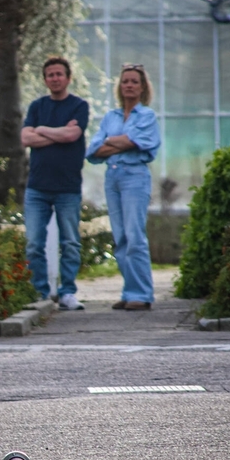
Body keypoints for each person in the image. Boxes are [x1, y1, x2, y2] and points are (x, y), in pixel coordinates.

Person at [85, 63, 161, 311]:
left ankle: (142, 293)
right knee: (120, 238)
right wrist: (123, 142)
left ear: (142, 87)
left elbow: (141, 143)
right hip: (113, 177)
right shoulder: (111, 117)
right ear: (120, 86)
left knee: (134, 235)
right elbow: (94, 151)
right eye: (125, 81)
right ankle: (130, 292)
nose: (129, 85)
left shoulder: (147, 116)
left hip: (135, 178)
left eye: (134, 81)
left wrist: (113, 141)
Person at [20, 56, 89, 311]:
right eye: (50, 75)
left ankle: (68, 292)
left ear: (68, 78)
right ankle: (41, 293)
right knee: (34, 243)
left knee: (70, 242)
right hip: (37, 187)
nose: (55, 78)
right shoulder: (37, 105)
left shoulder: (79, 106)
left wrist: (41, 130)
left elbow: (74, 134)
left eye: (59, 74)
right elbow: (26, 138)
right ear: (45, 79)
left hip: (68, 188)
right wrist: (59, 133)